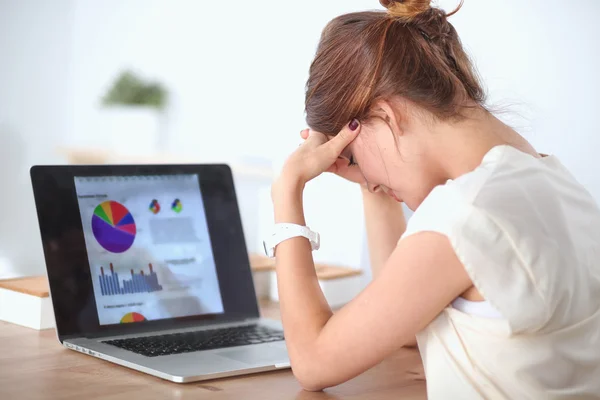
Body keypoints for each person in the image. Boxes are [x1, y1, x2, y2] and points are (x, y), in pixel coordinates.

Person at [269, 0, 600, 398]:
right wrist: (372, 185)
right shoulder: (550, 181)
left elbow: (312, 360)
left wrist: (287, 190)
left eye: (353, 155)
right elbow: (407, 321)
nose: (367, 177)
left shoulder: (465, 215)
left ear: (386, 116)